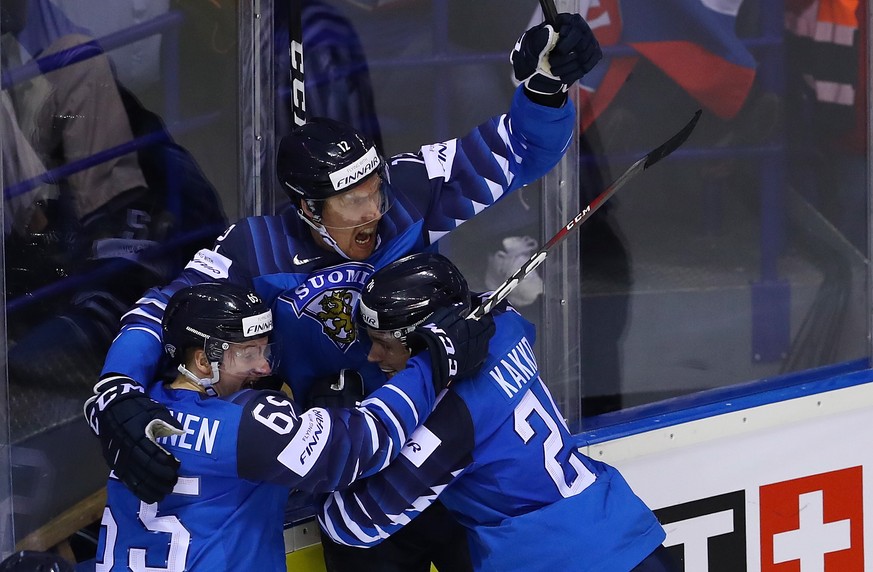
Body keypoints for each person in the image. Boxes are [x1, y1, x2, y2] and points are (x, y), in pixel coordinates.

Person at [82, 10, 602, 570]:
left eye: (375, 190)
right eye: (353, 201)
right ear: (308, 207)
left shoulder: (408, 190)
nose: (375, 212)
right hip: (348, 464)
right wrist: (117, 390)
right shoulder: (254, 250)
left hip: (440, 449)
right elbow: (160, 312)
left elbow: (521, 149)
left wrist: (545, 92)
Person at [94, 282, 493, 571]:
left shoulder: (133, 407)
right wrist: (432, 362)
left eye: (266, 350)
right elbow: (360, 444)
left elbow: (146, 309)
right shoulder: (243, 426)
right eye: (248, 354)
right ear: (203, 361)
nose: (265, 368)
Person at [319, 252, 679, 572]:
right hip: (626, 534)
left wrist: (341, 424)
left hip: (556, 560)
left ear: (425, 343)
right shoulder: (506, 327)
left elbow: (350, 525)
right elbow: (486, 304)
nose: (372, 357)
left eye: (384, 345)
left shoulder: (451, 424)